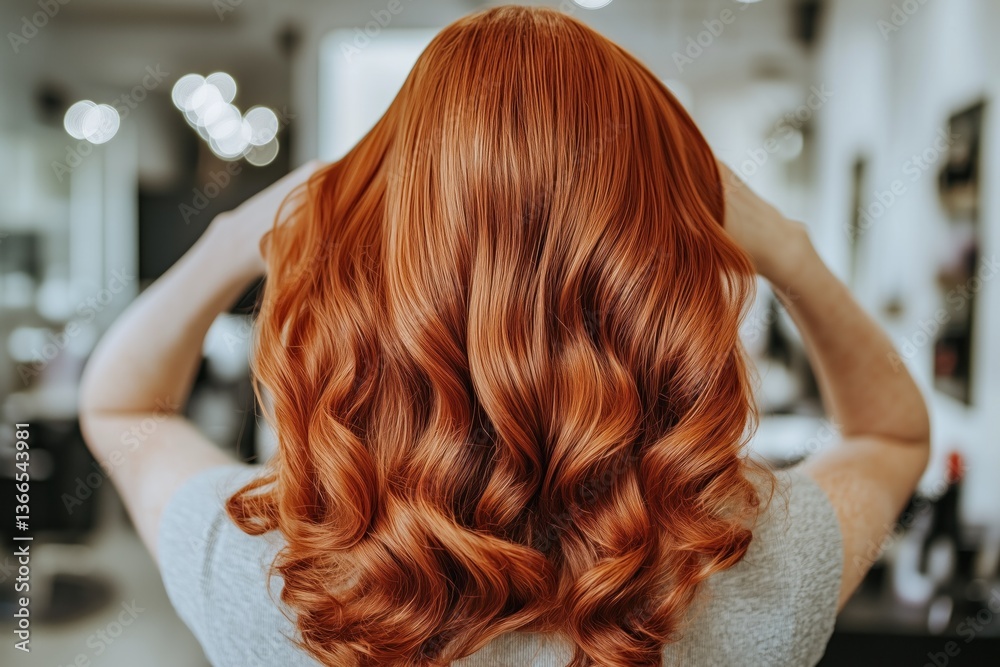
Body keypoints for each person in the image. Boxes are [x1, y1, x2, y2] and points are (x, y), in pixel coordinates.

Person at [78, 5, 930, 666]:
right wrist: (789, 247)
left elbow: (123, 407)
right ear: (658, 280)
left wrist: (237, 235)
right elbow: (889, 433)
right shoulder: (763, 572)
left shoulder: (272, 583)